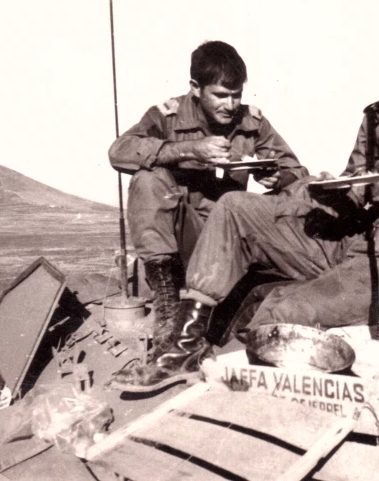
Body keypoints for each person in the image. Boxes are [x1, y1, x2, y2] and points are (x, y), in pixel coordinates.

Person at [109, 14, 379, 392]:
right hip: (353, 238)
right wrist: (330, 189)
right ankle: (183, 345)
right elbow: (356, 189)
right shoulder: (378, 118)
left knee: (284, 310)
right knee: (236, 207)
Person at [108, 41, 307, 363]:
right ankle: (168, 304)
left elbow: (294, 170)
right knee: (147, 181)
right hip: (184, 238)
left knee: (291, 201)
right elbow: (120, 151)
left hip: (231, 241)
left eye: (237, 94)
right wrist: (188, 150)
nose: (231, 105)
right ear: (195, 88)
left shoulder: (252, 122)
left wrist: (278, 177)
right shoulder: (168, 116)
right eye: (221, 95)